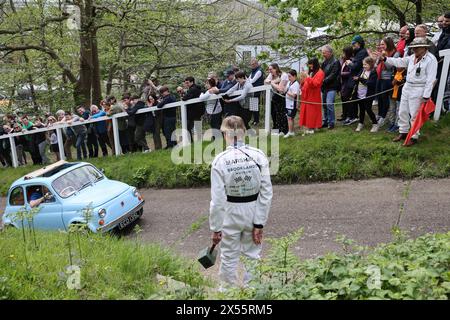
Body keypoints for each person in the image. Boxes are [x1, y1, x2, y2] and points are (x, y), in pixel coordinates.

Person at [209, 115, 272, 290]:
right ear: (244, 132)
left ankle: (227, 294)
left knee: (228, 256)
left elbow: (217, 200)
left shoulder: (220, 161)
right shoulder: (259, 156)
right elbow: (266, 193)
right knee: (253, 255)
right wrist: (260, 222)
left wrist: (216, 228)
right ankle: (253, 293)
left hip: (230, 213)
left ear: (224, 134)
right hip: (253, 212)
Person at [378, 37, 438, 146]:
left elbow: (431, 79)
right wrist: (385, 59)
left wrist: (426, 95)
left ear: (424, 47)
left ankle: (414, 136)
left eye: (417, 48)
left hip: (419, 88)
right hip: (407, 86)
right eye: (413, 48)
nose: (414, 50)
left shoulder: (431, 59)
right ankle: (403, 132)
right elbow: (399, 61)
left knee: (414, 114)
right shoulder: (411, 57)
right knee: (402, 111)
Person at [344, 35, 369, 126]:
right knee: (351, 97)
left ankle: (354, 117)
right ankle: (351, 116)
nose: (353, 46)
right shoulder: (358, 52)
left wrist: (349, 63)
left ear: (359, 43)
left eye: (354, 44)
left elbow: (356, 66)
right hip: (354, 77)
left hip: (357, 78)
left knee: (352, 98)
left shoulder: (362, 52)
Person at [299, 58, 325, 135]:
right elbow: (306, 81)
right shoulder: (311, 71)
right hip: (308, 95)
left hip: (314, 95)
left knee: (313, 112)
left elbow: (315, 84)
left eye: (311, 65)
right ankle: (309, 127)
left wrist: (307, 77)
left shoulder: (320, 73)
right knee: (308, 112)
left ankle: (312, 127)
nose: (310, 67)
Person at [353, 57, 379, 133]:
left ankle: (375, 124)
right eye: (363, 64)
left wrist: (359, 79)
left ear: (370, 64)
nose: (364, 66)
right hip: (360, 93)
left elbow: (370, 83)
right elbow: (358, 78)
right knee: (361, 110)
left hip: (368, 94)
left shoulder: (373, 72)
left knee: (368, 109)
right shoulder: (362, 70)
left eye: (365, 64)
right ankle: (361, 123)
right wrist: (356, 79)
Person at [375, 37, 396, 128]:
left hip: (388, 79)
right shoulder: (382, 53)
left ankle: (384, 116)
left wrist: (384, 58)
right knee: (379, 97)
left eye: (383, 44)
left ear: (389, 44)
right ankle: (380, 114)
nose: (381, 46)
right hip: (380, 77)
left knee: (385, 98)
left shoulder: (394, 53)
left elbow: (390, 67)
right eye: (381, 44)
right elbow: (376, 65)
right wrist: (379, 58)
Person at [265, 63, 289, 135]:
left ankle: (283, 130)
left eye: (271, 69)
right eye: (269, 69)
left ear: (276, 69)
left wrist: (272, 83)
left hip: (282, 96)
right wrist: (275, 82)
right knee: (274, 113)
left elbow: (280, 89)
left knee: (281, 114)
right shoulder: (271, 75)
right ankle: (276, 129)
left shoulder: (283, 75)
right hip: (274, 96)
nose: (270, 71)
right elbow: (265, 82)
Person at [178, 77, 205, 142]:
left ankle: (192, 141)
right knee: (196, 125)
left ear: (192, 82)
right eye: (185, 83)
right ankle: (198, 140)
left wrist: (183, 96)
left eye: (187, 83)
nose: (186, 84)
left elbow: (185, 98)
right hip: (197, 110)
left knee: (188, 126)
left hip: (193, 111)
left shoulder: (193, 89)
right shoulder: (195, 88)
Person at [321, 45, 340, 130]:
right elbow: (321, 73)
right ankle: (325, 121)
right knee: (324, 104)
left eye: (324, 52)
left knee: (329, 104)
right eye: (322, 52)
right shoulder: (324, 62)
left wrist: (324, 80)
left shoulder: (335, 62)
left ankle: (331, 122)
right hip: (324, 87)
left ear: (330, 52)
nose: (323, 54)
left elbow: (333, 74)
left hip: (332, 86)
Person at [339, 46, 355, 122]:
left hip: (348, 82)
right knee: (343, 99)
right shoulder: (344, 60)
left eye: (344, 53)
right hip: (343, 83)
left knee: (347, 99)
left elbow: (351, 72)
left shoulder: (351, 60)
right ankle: (344, 115)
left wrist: (342, 73)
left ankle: (349, 115)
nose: (343, 54)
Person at [284, 69, 300, 138]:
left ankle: (290, 132)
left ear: (294, 76)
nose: (289, 78)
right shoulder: (289, 83)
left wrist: (286, 92)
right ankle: (291, 131)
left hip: (292, 103)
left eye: (290, 76)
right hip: (288, 102)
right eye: (288, 76)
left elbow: (294, 95)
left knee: (290, 118)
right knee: (289, 117)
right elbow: (286, 88)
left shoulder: (296, 84)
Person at [249, 58, 265, 125]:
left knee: (255, 105)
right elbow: (249, 79)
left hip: (257, 90)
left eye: (253, 64)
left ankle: (257, 121)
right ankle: (255, 120)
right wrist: (249, 80)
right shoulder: (253, 71)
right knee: (253, 106)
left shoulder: (259, 71)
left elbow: (252, 80)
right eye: (251, 64)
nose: (252, 66)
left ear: (256, 64)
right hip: (253, 90)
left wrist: (249, 80)